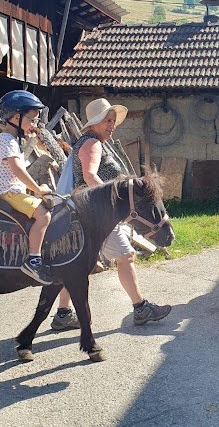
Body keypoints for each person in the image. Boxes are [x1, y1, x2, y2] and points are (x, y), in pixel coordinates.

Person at [52, 98, 171, 328]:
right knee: (125, 256)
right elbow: (89, 176)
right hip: (97, 213)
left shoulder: (88, 142)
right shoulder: (92, 144)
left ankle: (63, 314)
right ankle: (140, 308)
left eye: (113, 121)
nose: (111, 125)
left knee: (76, 264)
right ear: (94, 123)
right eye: (107, 120)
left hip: (85, 211)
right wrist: (112, 202)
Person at [0, 90, 53, 285]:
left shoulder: (10, 140)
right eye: (32, 119)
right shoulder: (7, 140)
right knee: (44, 215)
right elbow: (17, 170)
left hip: (12, 190)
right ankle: (33, 260)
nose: (34, 125)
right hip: (9, 193)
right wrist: (37, 189)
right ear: (16, 117)